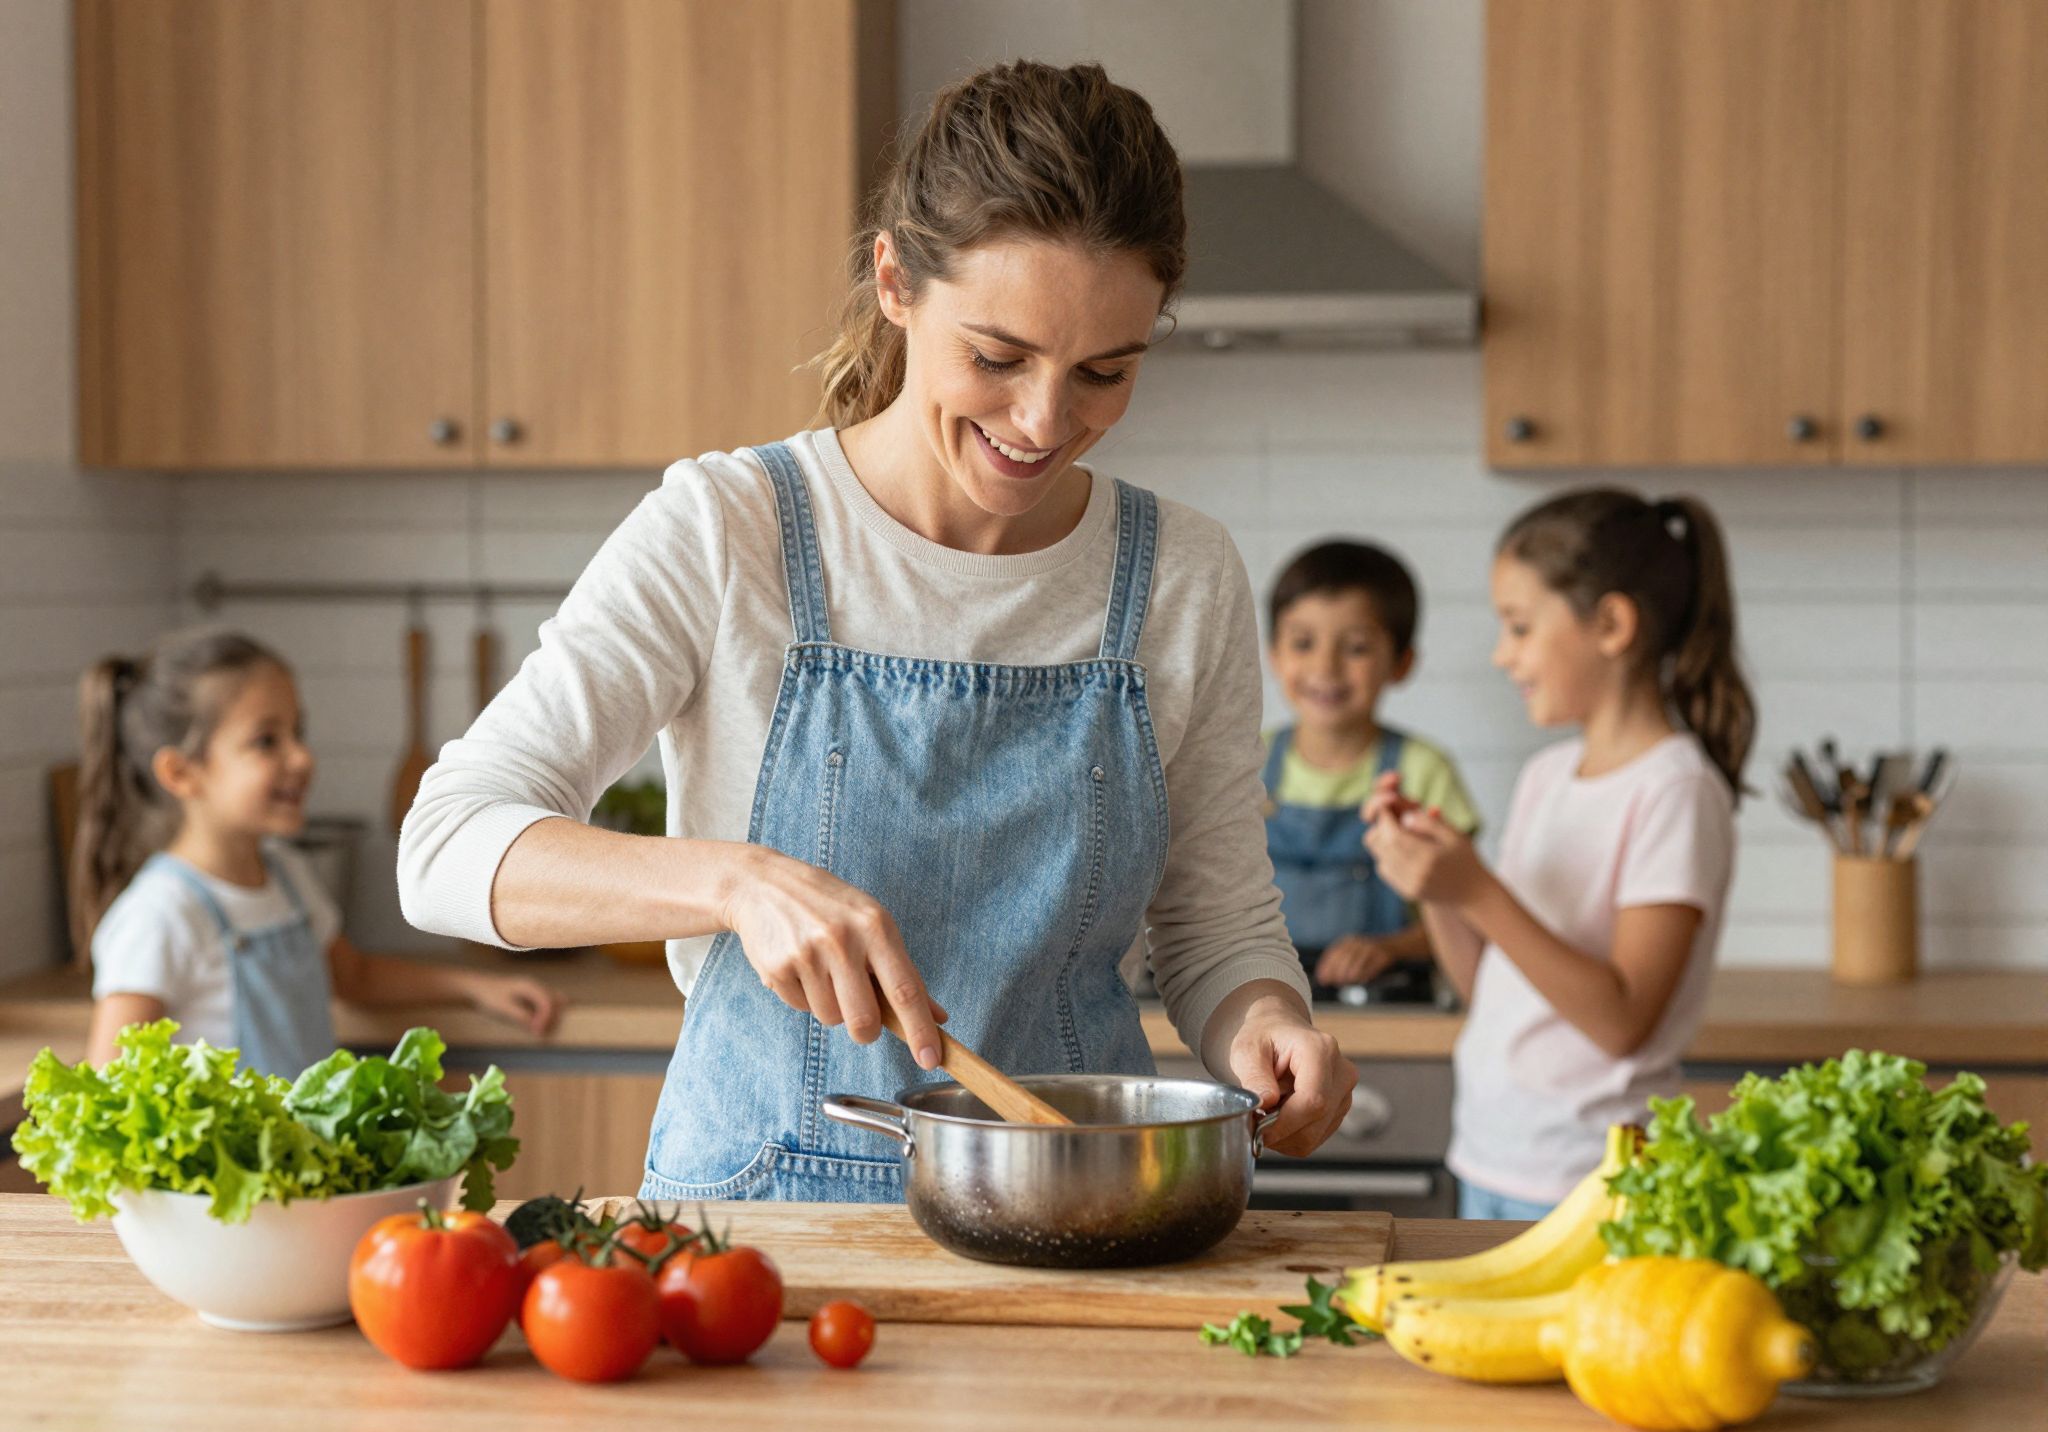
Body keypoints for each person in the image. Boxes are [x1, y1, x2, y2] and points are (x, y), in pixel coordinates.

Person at [397, 60, 1355, 1203]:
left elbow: (1214, 924)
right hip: (754, 1235)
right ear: (894, 279)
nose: (1045, 421)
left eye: (1104, 371)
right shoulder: (730, 528)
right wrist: (733, 885)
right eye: (996, 357)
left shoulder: (1178, 575)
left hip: (1082, 1216)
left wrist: (1265, 1024)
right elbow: (445, 849)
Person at [1364, 489, 1753, 1219]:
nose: (1501, 652)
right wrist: (1437, 883)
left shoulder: (1676, 790)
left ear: (1610, 624)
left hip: (1596, 1176)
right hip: (1492, 1153)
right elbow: (1495, 990)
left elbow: (1623, 1020)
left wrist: (1477, 890)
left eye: (1518, 626)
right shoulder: (1548, 777)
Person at [76, 628, 563, 1074]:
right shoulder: (160, 913)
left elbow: (356, 976)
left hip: (309, 1164)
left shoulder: (286, 875)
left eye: (298, 732)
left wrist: (475, 989)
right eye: (267, 741)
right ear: (182, 773)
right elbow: (111, 1085)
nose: (302, 757)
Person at [1262, 540, 1479, 990]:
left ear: (1401, 663)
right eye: (1303, 643)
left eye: (1356, 647)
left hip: (1395, 1005)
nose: (1326, 667)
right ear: (1274, 654)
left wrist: (1391, 949)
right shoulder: (1244, 762)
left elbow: (1468, 911)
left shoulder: (1423, 771)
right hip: (1265, 1005)